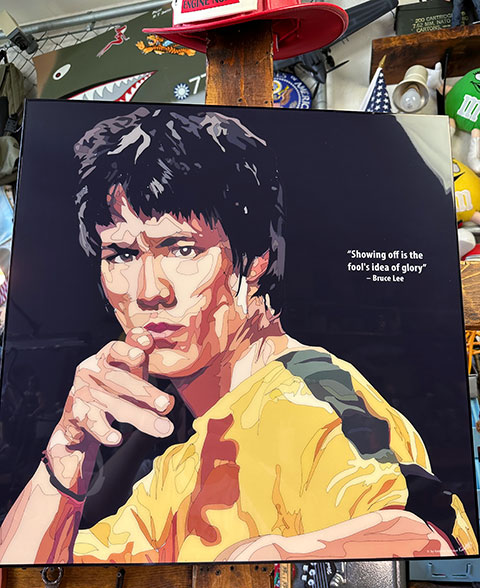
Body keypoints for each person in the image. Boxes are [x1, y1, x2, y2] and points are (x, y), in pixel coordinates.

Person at [0, 106, 477, 564]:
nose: (149, 292)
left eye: (182, 249)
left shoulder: (310, 396)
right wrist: (66, 454)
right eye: (122, 255)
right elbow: (22, 587)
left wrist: (263, 563)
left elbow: (439, 540)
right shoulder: (182, 467)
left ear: (254, 261)